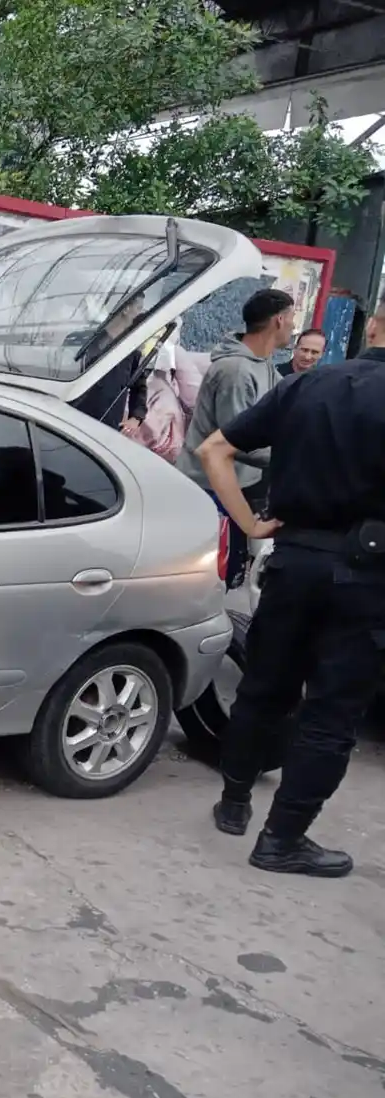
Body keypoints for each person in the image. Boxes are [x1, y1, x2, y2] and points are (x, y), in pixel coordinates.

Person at [200, 300, 385, 877]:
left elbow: (214, 450)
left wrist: (251, 524)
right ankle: (282, 839)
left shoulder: (311, 383)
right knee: (330, 715)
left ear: (373, 325)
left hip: (293, 560)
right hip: (368, 579)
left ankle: (233, 804)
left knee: (263, 689)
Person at [175, 289, 295, 589]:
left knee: (231, 572)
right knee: (210, 577)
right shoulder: (234, 370)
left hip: (240, 485)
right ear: (279, 320)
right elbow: (236, 438)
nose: (295, 325)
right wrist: (290, 454)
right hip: (211, 486)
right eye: (292, 318)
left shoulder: (262, 364)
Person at [71, 294, 149, 436]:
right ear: (126, 309)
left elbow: (139, 386)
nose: (140, 313)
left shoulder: (132, 350)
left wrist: (136, 417)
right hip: (72, 420)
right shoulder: (88, 340)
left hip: (107, 425)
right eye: (138, 308)